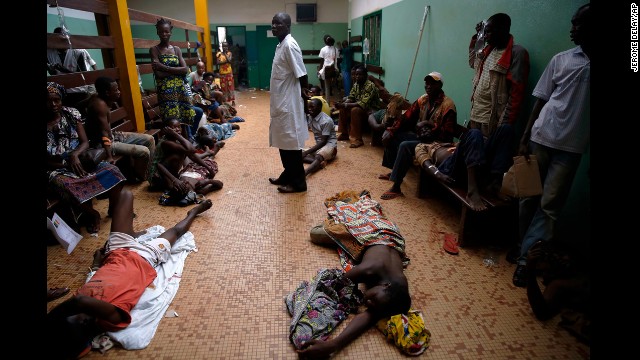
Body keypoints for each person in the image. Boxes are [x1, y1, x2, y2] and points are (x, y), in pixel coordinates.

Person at [46, 188, 213, 359]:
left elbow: (92, 280)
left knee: (125, 194)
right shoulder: (112, 317)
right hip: (145, 257)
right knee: (176, 232)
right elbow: (79, 302)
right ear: (84, 325)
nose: (77, 317)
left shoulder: (84, 300)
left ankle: (131, 235)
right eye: (76, 320)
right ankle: (193, 212)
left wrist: (96, 262)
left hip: (117, 251)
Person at [512, 3, 591, 287]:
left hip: (571, 150)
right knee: (527, 200)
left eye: (578, 24)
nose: (572, 29)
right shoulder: (563, 59)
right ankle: (525, 247)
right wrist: (524, 138)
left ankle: (525, 262)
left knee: (549, 207)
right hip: (540, 139)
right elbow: (541, 99)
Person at [417, 13, 530, 211]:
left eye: (490, 31)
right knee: (475, 137)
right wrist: (476, 36)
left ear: (505, 30)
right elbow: (472, 61)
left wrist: (506, 121)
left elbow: (517, 94)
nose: (486, 36)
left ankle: (491, 183)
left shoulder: (516, 53)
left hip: (493, 121)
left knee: (506, 132)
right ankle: (473, 188)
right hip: (475, 122)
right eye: (485, 32)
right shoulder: (486, 52)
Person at [299, 191, 412, 358]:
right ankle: (356, 204)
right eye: (373, 299)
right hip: (378, 232)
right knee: (316, 233)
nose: (368, 301)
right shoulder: (369, 269)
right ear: (385, 286)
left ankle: (368, 210)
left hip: (393, 238)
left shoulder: (397, 291)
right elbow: (333, 284)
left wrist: (333, 344)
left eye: (371, 303)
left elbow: (371, 315)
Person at [47, 82, 126, 234]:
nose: (53, 104)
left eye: (56, 99)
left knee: (113, 170)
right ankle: (93, 214)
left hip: (79, 158)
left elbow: (84, 142)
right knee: (65, 184)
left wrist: (75, 155)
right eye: (48, 100)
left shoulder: (70, 113)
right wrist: (65, 165)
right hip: (56, 167)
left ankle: (113, 209)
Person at [380, 72, 457, 200]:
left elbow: (448, 134)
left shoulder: (448, 105)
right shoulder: (423, 100)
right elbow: (406, 117)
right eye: (427, 83)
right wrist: (391, 130)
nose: (429, 86)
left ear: (440, 85)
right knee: (393, 136)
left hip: (436, 144)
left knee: (405, 146)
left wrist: (430, 124)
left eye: (433, 83)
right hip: (421, 138)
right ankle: (394, 171)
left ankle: (396, 187)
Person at [267, 12, 310, 194]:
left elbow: (302, 74)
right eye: (273, 23)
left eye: (279, 23)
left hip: (288, 104)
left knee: (291, 145)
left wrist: (304, 96)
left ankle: (299, 183)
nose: (275, 26)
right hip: (280, 102)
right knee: (283, 142)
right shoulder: (280, 45)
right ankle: (288, 174)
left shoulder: (290, 45)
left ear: (287, 26)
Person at [85, 76, 156, 182]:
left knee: (150, 139)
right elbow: (104, 133)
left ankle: (149, 172)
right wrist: (109, 156)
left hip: (112, 135)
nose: (119, 92)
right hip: (103, 144)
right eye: (116, 90)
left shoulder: (101, 97)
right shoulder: (99, 105)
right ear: (107, 92)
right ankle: (141, 178)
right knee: (144, 151)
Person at [524, 241, 590, 344]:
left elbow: (541, 312)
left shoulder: (565, 282)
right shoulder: (572, 269)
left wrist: (530, 272)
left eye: (544, 271)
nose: (543, 275)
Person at [150, 18, 204, 142]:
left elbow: (185, 70)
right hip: (166, 93)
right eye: (161, 32)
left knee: (185, 118)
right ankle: (177, 150)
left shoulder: (176, 49)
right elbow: (158, 74)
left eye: (166, 31)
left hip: (180, 91)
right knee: (172, 122)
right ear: (157, 32)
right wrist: (176, 70)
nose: (164, 34)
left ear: (170, 32)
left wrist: (164, 67)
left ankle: (187, 144)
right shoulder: (154, 50)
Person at [148, 117, 222, 198]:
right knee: (179, 155)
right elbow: (192, 150)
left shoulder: (174, 139)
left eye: (179, 127)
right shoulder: (166, 142)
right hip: (156, 178)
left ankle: (209, 154)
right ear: (167, 130)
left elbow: (191, 154)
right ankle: (169, 183)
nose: (178, 129)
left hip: (165, 172)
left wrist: (208, 168)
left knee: (184, 154)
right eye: (173, 127)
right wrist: (175, 180)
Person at [334, 64, 383, 148]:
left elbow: (362, 104)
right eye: (356, 74)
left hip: (372, 110)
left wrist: (345, 104)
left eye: (360, 74)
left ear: (365, 75)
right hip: (364, 109)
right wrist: (342, 104)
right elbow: (351, 97)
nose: (357, 76)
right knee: (343, 108)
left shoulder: (369, 86)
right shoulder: (356, 84)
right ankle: (344, 133)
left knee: (355, 110)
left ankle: (358, 139)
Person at [302, 98, 338, 176]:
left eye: (312, 107)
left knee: (317, 156)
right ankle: (320, 163)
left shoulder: (326, 121)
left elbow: (323, 141)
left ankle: (304, 174)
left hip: (330, 146)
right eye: (309, 107)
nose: (309, 109)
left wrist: (307, 152)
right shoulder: (311, 116)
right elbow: (305, 109)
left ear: (319, 108)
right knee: (296, 154)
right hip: (320, 146)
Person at [317, 35, 339, 99]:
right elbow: (337, 60)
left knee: (327, 88)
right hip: (334, 70)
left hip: (326, 71)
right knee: (335, 87)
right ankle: (337, 102)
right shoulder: (336, 49)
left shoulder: (323, 49)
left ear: (324, 41)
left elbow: (322, 62)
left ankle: (328, 103)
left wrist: (318, 71)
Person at [216, 42, 236, 107]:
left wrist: (225, 55)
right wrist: (225, 61)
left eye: (226, 46)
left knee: (231, 87)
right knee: (223, 88)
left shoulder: (229, 53)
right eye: (223, 46)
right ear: (222, 47)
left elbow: (230, 61)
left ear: (228, 47)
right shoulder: (219, 54)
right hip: (222, 74)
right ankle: (224, 101)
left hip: (229, 73)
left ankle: (233, 101)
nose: (225, 47)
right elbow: (217, 62)